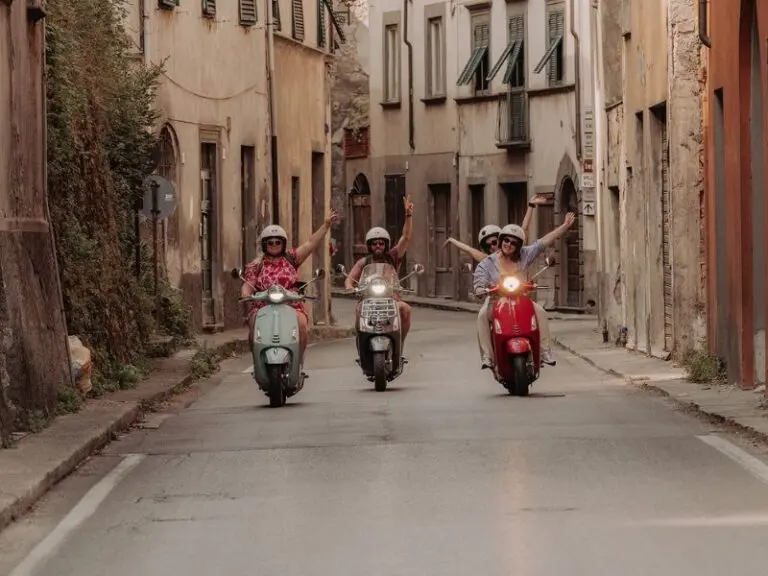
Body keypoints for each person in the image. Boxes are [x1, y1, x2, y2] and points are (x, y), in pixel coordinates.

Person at [473, 213, 576, 369]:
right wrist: (480, 288)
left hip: (521, 298)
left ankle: (544, 352)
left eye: (513, 243)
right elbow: (479, 278)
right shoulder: (488, 263)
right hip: (496, 299)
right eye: (506, 240)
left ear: (519, 246)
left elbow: (543, 242)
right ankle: (488, 356)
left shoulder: (524, 254)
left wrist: (565, 226)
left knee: (540, 312)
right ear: (501, 241)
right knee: (481, 316)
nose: (509, 244)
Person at [242, 210, 341, 361]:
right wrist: (246, 295)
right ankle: (258, 360)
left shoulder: (292, 257)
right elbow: (248, 284)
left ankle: (297, 360)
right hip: (262, 305)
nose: (274, 245)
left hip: (291, 304)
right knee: (254, 327)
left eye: (278, 242)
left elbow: (310, 244)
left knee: (301, 325)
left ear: (283, 243)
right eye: (270, 242)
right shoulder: (256, 265)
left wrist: (326, 225)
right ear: (264, 244)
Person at [345, 195, 415, 348]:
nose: (378, 246)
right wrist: (350, 288)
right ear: (369, 246)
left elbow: (406, 237)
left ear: (386, 245)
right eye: (375, 243)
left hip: (391, 300)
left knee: (406, 309)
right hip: (368, 301)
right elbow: (349, 279)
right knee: (358, 310)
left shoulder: (393, 257)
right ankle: (362, 344)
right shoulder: (364, 262)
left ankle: (399, 342)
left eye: (381, 243)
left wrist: (408, 215)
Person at [443, 194, 548, 263]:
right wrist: (451, 240)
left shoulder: (517, 251)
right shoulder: (488, 259)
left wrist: (531, 205)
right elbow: (469, 249)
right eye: (488, 246)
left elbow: (524, 228)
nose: (492, 247)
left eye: (494, 242)